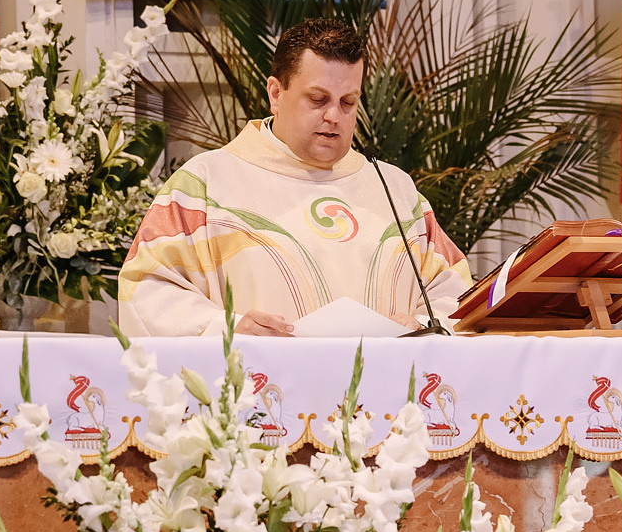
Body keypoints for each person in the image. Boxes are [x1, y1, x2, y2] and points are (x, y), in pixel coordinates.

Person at [118, 18, 471, 335]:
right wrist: (227, 327)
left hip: (384, 401)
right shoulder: (206, 184)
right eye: (318, 99)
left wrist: (424, 326)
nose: (334, 115)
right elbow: (146, 288)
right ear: (276, 93)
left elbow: (455, 291)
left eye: (348, 102)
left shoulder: (393, 189)